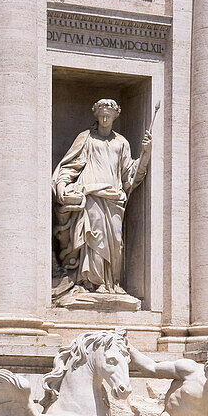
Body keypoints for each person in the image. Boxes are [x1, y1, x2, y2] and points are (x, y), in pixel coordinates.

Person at [52, 99, 151, 297]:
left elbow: (129, 175)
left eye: (108, 114)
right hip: (92, 195)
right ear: (96, 115)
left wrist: (146, 154)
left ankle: (110, 283)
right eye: (101, 114)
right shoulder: (86, 138)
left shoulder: (122, 142)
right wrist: (62, 185)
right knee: (93, 237)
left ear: (116, 115)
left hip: (114, 198)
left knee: (115, 240)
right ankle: (89, 283)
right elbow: (70, 166)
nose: (105, 118)